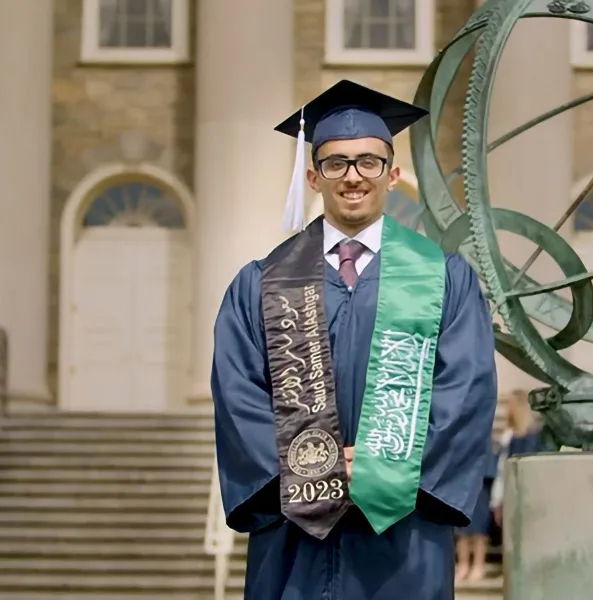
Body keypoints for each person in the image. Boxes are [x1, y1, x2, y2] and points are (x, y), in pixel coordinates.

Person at [211, 79, 498, 600]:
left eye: (368, 161)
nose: (353, 177)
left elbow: (466, 393)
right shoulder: (260, 283)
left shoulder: (442, 278)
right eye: (337, 163)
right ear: (314, 176)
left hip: (402, 531)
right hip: (293, 532)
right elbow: (238, 397)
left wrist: (381, 463)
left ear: (392, 173)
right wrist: (314, 466)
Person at [491, 389, 543, 527]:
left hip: (520, 492)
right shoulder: (515, 435)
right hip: (514, 492)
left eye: (510, 404)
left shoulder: (526, 437)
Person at [455, 441, 498, 582]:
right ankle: (463, 564)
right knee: (461, 528)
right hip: (462, 480)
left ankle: (479, 565)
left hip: (481, 482)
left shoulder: (485, 437)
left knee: (479, 529)